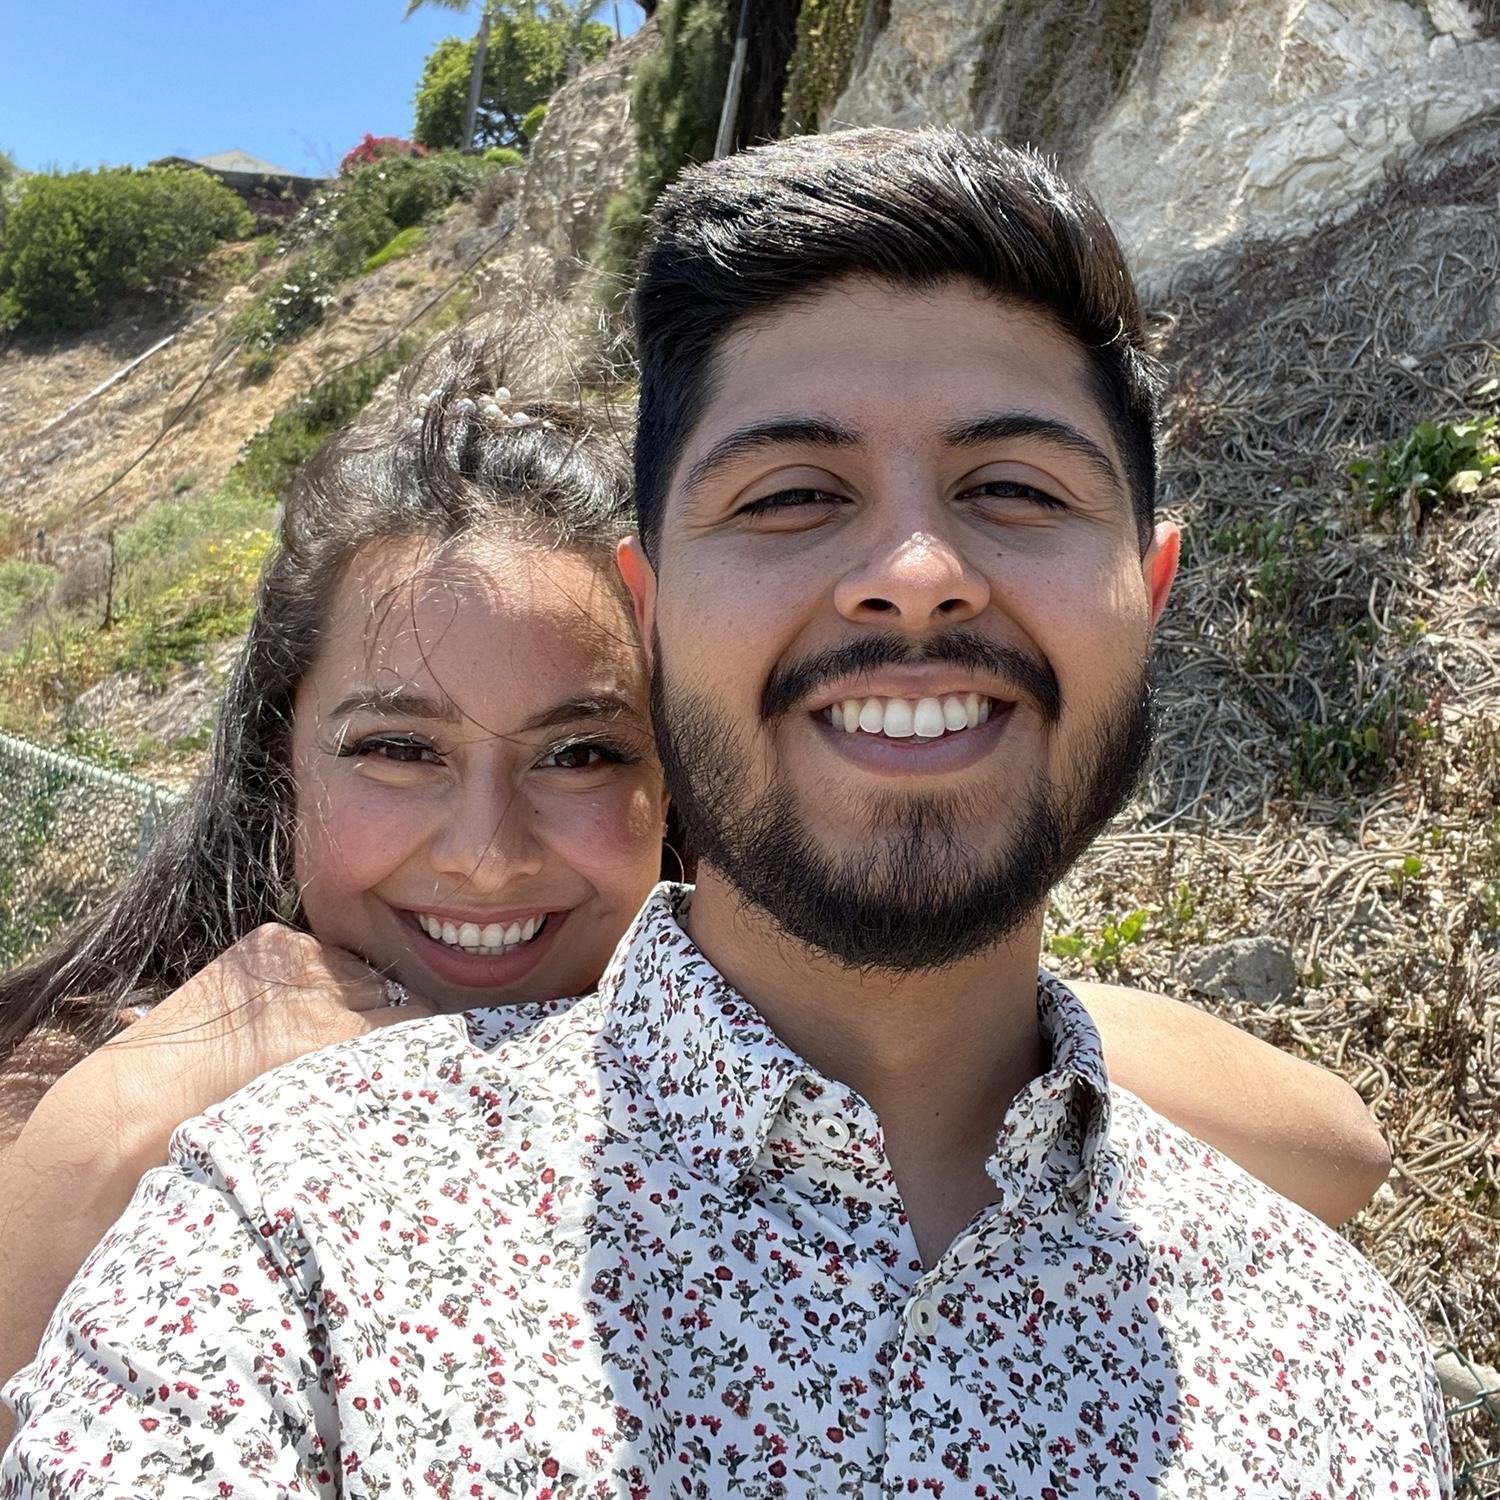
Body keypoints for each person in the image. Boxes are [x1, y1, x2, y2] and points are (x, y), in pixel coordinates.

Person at [0, 151, 1428, 1488]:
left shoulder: (1329, 1354)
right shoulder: (267, 1219)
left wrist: (941, 1036)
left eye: (582, 752)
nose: (485, 853)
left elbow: (1319, 1139)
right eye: (792, 494)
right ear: (663, 623)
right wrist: (103, 1144)